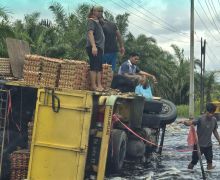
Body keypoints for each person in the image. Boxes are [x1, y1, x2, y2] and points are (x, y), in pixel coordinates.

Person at [179, 103, 220, 170]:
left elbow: (214, 131)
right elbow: (191, 123)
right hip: (198, 145)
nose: (210, 115)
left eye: (212, 113)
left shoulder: (214, 120)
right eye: (209, 113)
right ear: (206, 111)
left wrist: (219, 140)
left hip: (208, 145)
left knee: (210, 162)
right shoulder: (200, 118)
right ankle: (188, 172)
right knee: (194, 162)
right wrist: (185, 122)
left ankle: (208, 175)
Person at [86, 6, 105, 91]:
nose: (101, 13)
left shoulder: (99, 22)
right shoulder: (91, 21)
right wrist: (93, 46)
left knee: (99, 67)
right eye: (99, 11)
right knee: (94, 67)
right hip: (94, 47)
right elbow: (90, 33)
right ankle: (94, 86)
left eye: (102, 11)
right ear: (94, 12)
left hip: (99, 47)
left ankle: (99, 85)